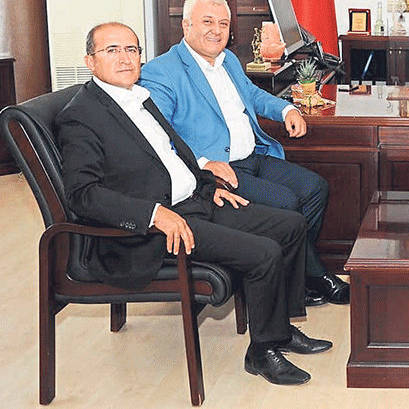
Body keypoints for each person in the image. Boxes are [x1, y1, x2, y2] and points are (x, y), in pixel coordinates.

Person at [57, 22, 333, 385]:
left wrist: (207, 185)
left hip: (194, 202)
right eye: (112, 50)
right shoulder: (81, 116)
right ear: (90, 61)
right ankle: (262, 352)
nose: (125, 58)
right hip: (154, 230)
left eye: (132, 50)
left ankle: (279, 330)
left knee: (290, 224)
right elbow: (83, 194)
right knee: (264, 252)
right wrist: (154, 215)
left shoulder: (138, 96)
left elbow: (174, 155)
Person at [139, 0, 349, 305]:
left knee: (315, 188)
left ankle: (296, 274)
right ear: (186, 25)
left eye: (223, 24)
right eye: (207, 22)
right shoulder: (162, 71)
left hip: (253, 157)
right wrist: (202, 163)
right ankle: (309, 278)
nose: (216, 30)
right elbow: (156, 134)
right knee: (286, 203)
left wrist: (287, 110)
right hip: (217, 171)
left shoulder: (228, 60)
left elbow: (253, 94)